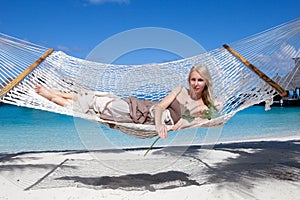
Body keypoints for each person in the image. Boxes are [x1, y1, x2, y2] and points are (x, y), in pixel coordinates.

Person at [35, 64, 221, 139]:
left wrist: (186, 120)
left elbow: (213, 119)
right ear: (189, 80)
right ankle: (56, 94)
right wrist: (158, 125)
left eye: (200, 80)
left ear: (206, 82)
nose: (195, 84)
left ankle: (54, 96)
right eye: (193, 79)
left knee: (99, 106)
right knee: (102, 103)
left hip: (139, 118)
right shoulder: (180, 91)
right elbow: (160, 108)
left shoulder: (203, 107)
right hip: (144, 112)